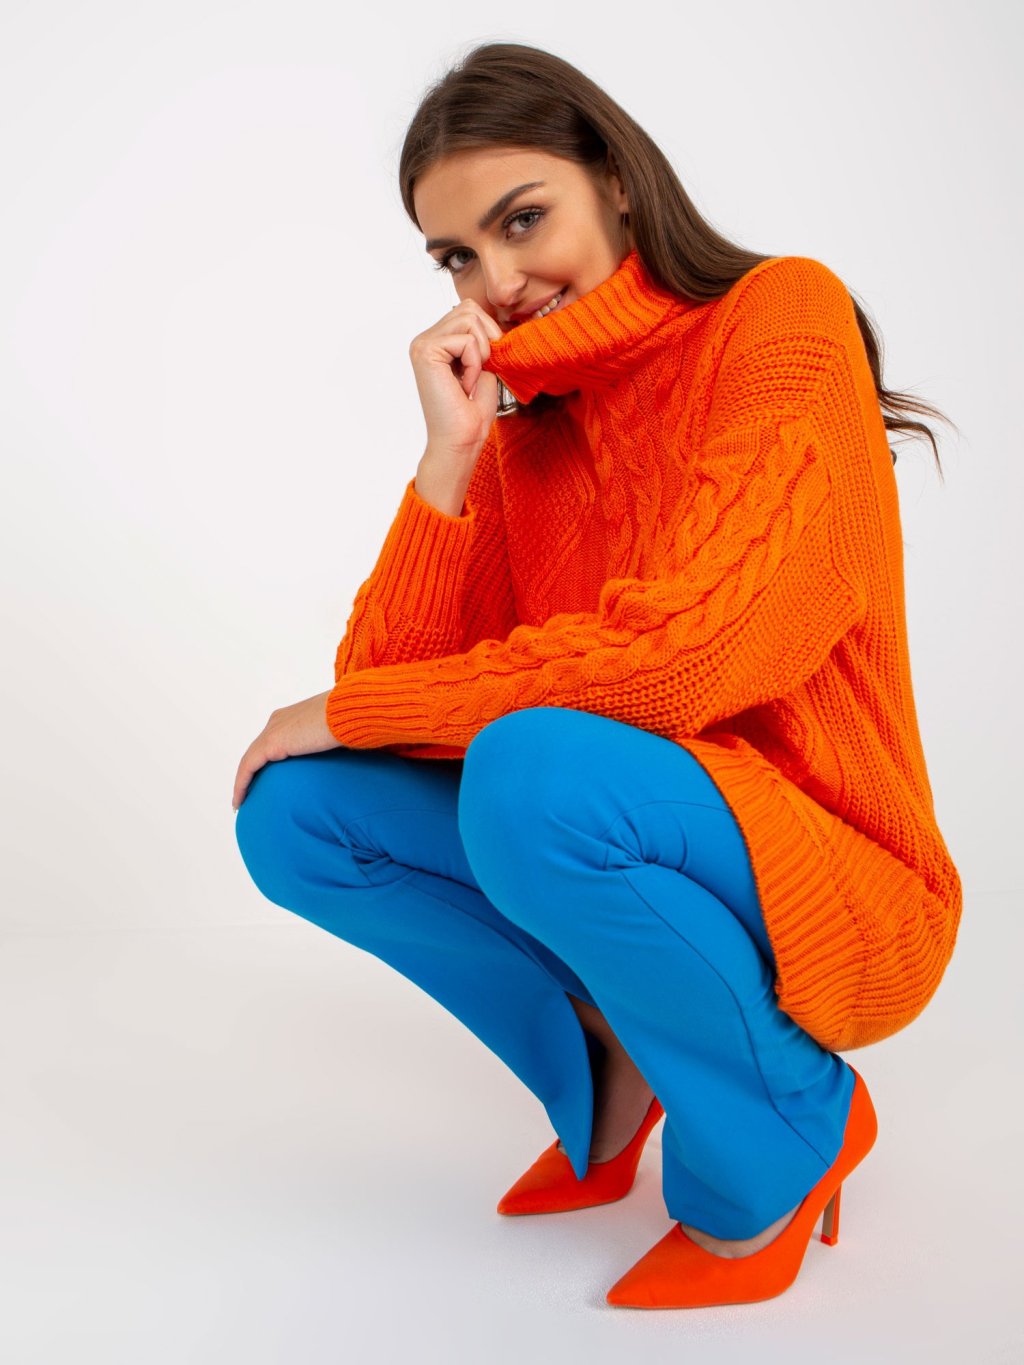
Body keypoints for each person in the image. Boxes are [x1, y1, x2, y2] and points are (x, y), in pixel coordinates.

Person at [232, 41, 963, 1309]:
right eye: (456, 257)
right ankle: (609, 1049)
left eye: (522, 221)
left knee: (534, 771)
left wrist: (350, 708)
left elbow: (692, 661)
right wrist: (450, 457)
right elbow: (385, 708)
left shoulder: (779, 318)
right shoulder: (528, 426)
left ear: (616, 181)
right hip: (625, 820)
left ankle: (789, 1121)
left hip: (839, 872)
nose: (495, 283)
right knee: (301, 813)